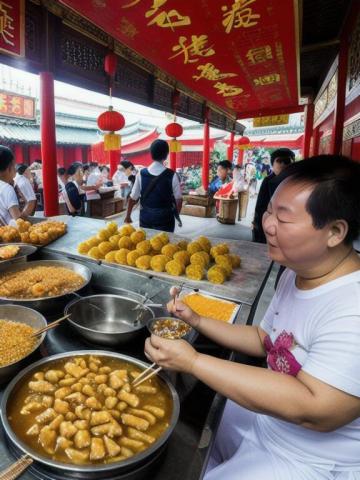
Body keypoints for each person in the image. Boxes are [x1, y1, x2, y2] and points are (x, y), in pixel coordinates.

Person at [145, 155, 360, 480]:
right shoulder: (298, 272)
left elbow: (316, 408)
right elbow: (265, 341)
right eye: (269, 210)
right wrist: (197, 320)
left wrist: (193, 362)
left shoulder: (352, 305)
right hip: (271, 421)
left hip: (311, 459)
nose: (266, 223)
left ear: (335, 231)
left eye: (283, 219)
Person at [125, 139, 182, 232]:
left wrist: (128, 216)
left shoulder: (141, 173)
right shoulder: (172, 175)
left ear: (151, 154)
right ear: (166, 154)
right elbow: (179, 200)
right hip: (165, 218)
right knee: (165, 245)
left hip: (146, 217)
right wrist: (176, 216)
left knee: (146, 244)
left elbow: (133, 198)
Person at [253, 147, 295, 243]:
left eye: (287, 161)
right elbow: (260, 207)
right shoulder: (268, 181)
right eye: (279, 161)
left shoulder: (297, 181)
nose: (283, 164)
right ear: (272, 164)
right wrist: (259, 227)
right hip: (270, 224)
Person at [0, 146, 25, 225]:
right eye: (14, 166)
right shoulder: (7, 189)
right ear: (9, 168)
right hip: (10, 235)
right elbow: (19, 223)